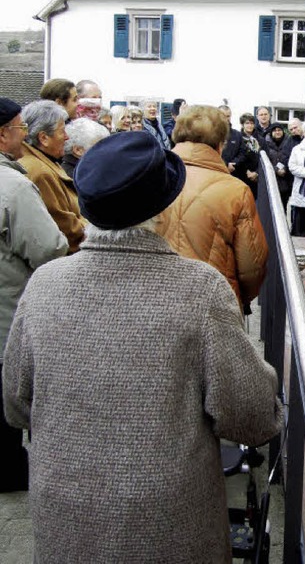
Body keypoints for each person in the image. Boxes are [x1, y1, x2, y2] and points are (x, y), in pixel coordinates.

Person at [2, 131, 283, 563]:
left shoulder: (45, 284)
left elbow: (16, 405)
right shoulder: (200, 288)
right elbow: (252, 416)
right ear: (164, 209)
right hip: (168, 524)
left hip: (66, 519)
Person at [0, 98, 68, 494]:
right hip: (8, 312)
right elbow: (49, 248)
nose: (23, 133)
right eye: (17, 126)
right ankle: (9, 473)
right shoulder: (14, 185)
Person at [158, 105, 268, 310]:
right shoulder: (236, 190)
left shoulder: (151, 178)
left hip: (156, 297)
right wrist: (240, 299)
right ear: (220, 145)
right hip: (214, 302)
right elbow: (252, 264)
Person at [20, 100, 85, 253]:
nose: (67, 137)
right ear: (43, 138)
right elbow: (65, 227)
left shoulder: (45, 162)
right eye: (62, 131)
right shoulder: (39, 172)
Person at [264, 121, 293, 210]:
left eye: (279, 130)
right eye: (275, 130)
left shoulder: (289, 142)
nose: (277, 132)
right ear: (271, 132)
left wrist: (285, 169)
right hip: (272, 181)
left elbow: (292, 159)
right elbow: (265, 161)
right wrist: (276, 169)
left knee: (283, 208)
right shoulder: (265, 144)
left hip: (286, 181)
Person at [218, 104, 247, 178]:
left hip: (234, 173)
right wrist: (226, 164)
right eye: (223, 116)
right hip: (217, 172)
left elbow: (242, 153)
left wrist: (233, 164)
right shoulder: (211, 134)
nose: (226, 119)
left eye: (228, 116)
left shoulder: (237, 135)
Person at [238, 112, 261, 198]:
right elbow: (236, 156)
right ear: (242, 124)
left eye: (252, 123)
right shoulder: (238, 138)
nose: (250, 126)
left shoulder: (260, 139)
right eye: (247, 123)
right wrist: (246, 171)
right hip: (241, 175)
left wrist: (256, 173)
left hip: (256, 178)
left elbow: (265, 158)